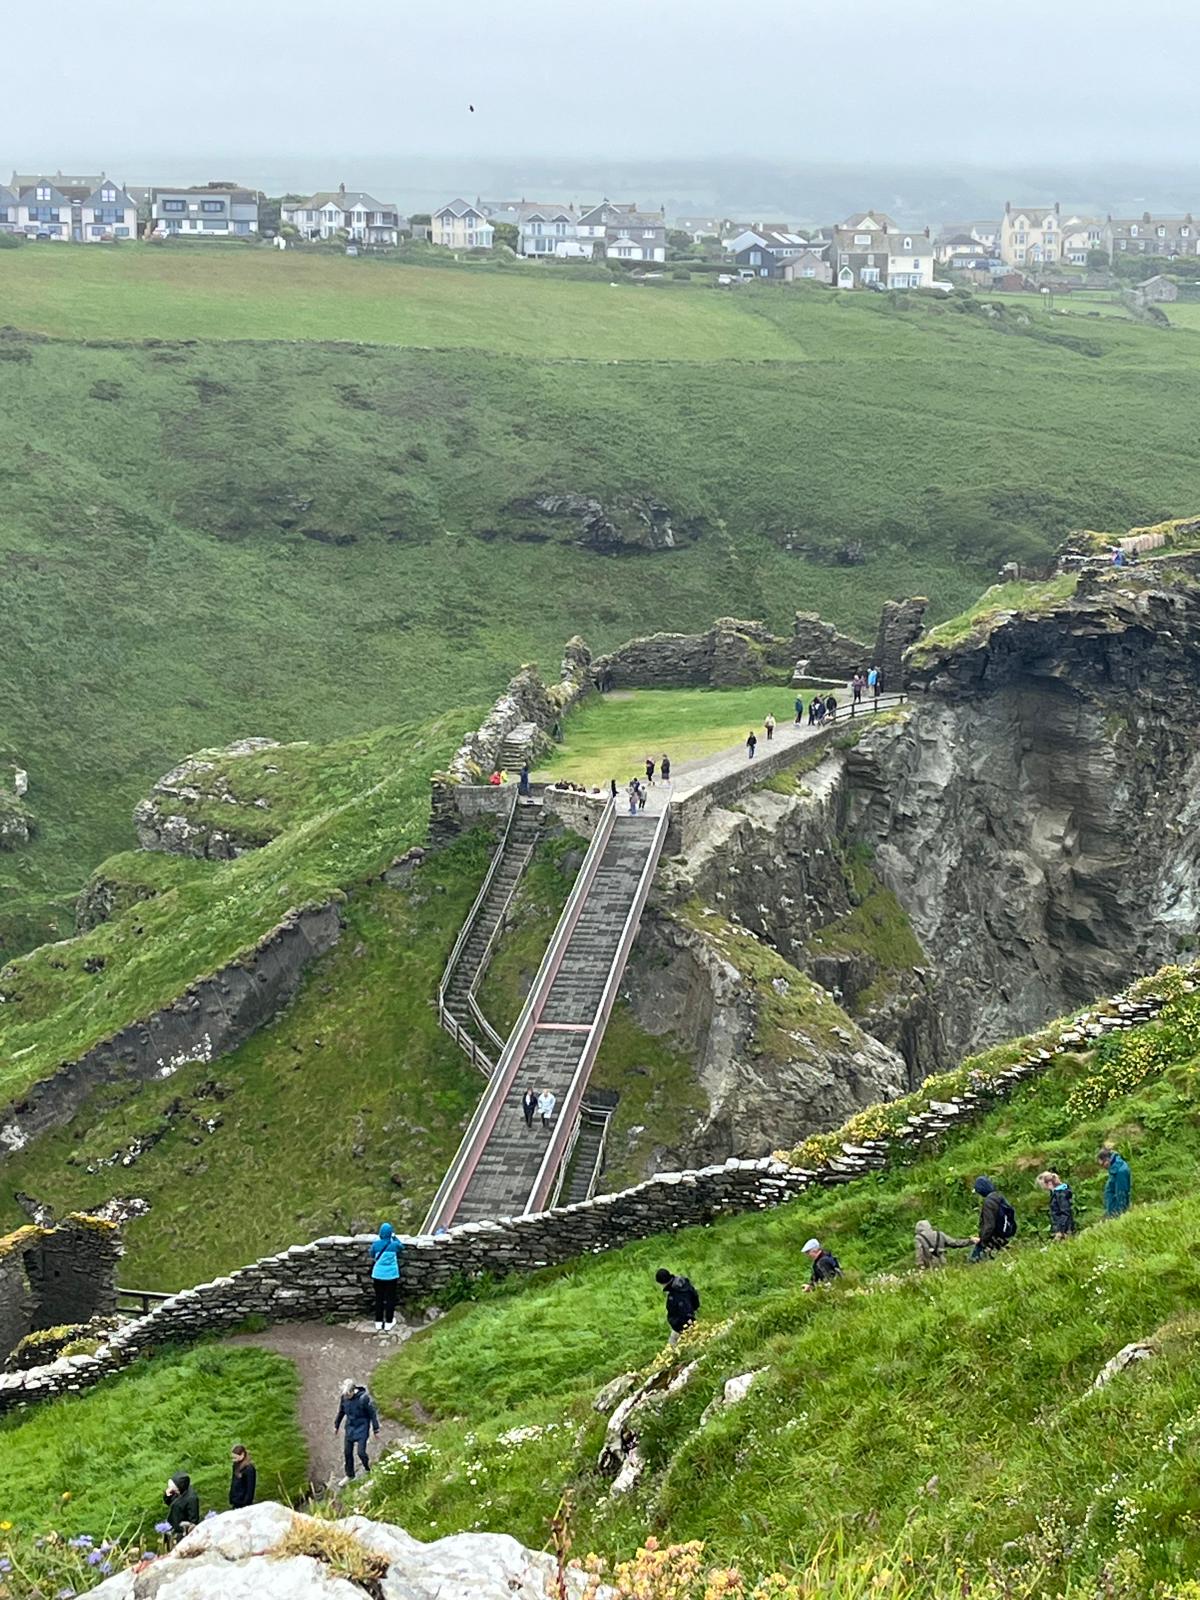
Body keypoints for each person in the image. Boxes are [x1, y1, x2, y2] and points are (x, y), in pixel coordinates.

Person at [334, 1379, 380, 1481]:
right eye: (345, 1395)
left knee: (361, 1452)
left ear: (353, 1391)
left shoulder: (363, 1399)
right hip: (350, 1428)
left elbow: (372, 1414)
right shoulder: (344, 1398)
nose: (346, 1397)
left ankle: (367, 1468)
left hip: (362, 1428)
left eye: (347, 1394)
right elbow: (341, 1412)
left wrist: (376, 1429)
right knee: (347, 1452)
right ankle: (349, 1475)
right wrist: (336, 1425)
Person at [970, 1176, 1016, 1260]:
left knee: (974, 1259)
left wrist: (982, 1241)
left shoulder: (989, 1202)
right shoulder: (999, 1196)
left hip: (993, 1236)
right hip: (1004, 1233)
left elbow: (989, 1225)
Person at [370, 1221, 403, 1332]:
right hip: (391, 1275)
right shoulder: (394, 1245)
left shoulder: (376, 1244)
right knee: (390, 1299)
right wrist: (394, 1237)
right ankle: (389, 1322)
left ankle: (378, 1322)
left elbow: (371, 1254)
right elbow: (401, 1247)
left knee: (379, 1298)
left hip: (378, 1274)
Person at [655, 1267, 700, 1346]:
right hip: (692, 1318)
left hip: (683, 1325)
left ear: (662, 1283)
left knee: (673, 1345)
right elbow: (694, 1298)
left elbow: (683, 1311)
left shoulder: (675, 1295)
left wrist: (677, 1325)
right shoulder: (683, 1283)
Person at [163, 1473, 200, 1543]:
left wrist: (185, 1532)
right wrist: (167, 1495)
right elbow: (170, 1502)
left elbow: (193, 1520)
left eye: (174, 1489)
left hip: (181, 1533)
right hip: (172, 1527)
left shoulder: (191, 1499)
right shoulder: (178, 1491)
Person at [1037, 1171, 1075, 1237]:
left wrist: (1061, 1230)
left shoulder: (1060, 1194)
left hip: (1065, 1230)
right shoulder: (1056, 1194)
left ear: (1049, 1184)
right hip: (1061, 1227)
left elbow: (1065, 1212)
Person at [1098, 1147, 1132, 1217]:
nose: (1103, 1167)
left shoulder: (1120, 1172)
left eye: (1102, 1164)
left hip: (1115, 1210)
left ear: (1107, 1160)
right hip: (1111, 1207)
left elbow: (1121, 1194)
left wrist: (1119, 1213)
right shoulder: (1114, 1167)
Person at [229, 1445, 256, 1509]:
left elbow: (250, 1488)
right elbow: (233, 1482)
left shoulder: (249, 1469)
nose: (234, 1460)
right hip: (235, 1500)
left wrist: (246, 1503)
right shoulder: (236, 1465)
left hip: (244, 1503)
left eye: (236, 1457)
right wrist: (231, 1497)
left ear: (242, 1454)